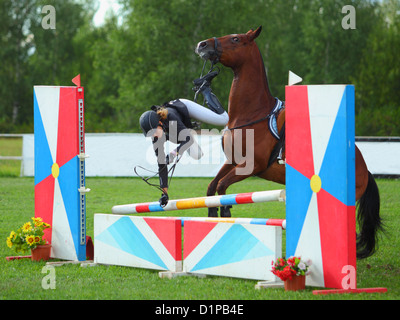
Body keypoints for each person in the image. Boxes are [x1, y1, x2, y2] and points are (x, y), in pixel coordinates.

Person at [139, 71, 228, 207]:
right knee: (197, 155)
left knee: (224, 119)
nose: (154, 137)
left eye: (153, 133)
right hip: (180, 132)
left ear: (159, 123)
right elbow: (161, 164)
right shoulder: (157, 133)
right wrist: (164, 193)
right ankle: (183, 133)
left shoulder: (171, 119)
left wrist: (174, 153)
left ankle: (205, 89)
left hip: (186, 108)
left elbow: (188, 141)